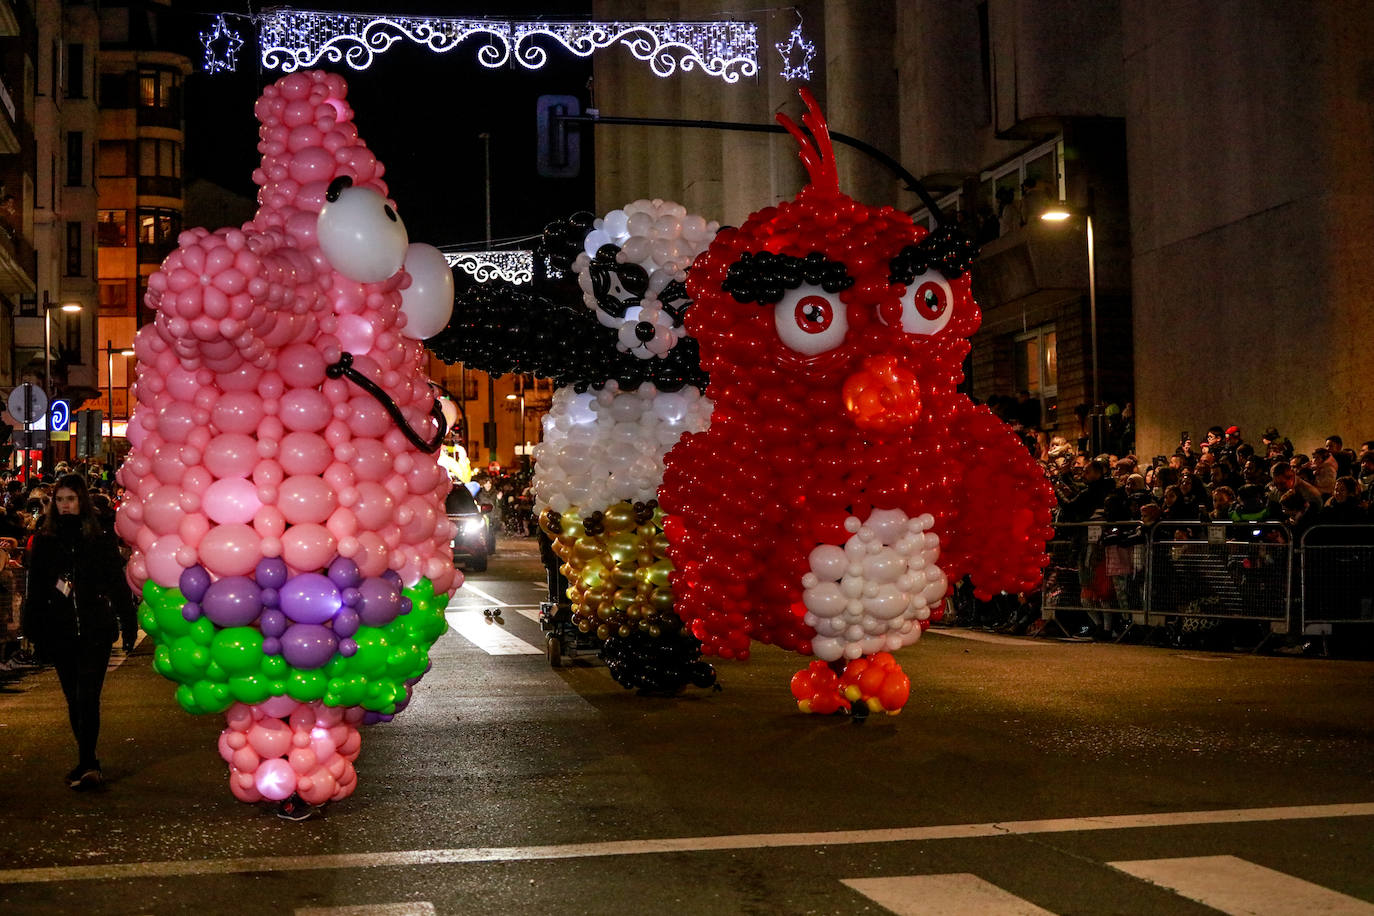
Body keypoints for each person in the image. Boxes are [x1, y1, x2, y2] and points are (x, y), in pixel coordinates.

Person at [20, 474, 137, 790]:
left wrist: (128, 622)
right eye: (59, 500)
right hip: (60, 629)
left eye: (70, 499)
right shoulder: (45, 541)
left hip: (95, 627)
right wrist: (33, 629)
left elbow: (116, 582)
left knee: (88, 696)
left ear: (81, 500)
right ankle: (87, 757)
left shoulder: (98, 538)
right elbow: (36, 588)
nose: (65, 505)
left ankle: (88, 763)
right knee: (73, 697)